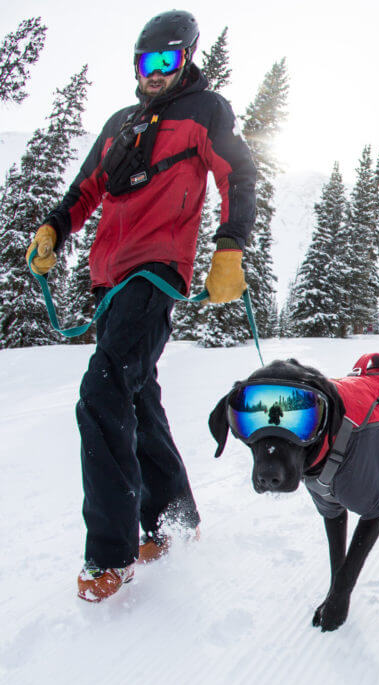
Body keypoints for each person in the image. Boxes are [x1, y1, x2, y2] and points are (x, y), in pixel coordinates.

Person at [26, 10, 257, 602]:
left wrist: (229, 248)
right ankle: (174, 517)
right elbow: (85, 190)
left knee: (102, 389)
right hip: (109, 277)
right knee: (137, 392)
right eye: (144, 62)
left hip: (157, 269)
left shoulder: (205, 111)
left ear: (186, 59)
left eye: (166, 61)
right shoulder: (121, 123)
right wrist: (55, 228)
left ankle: (111, 553)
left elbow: (237, 172)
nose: (153, 73)